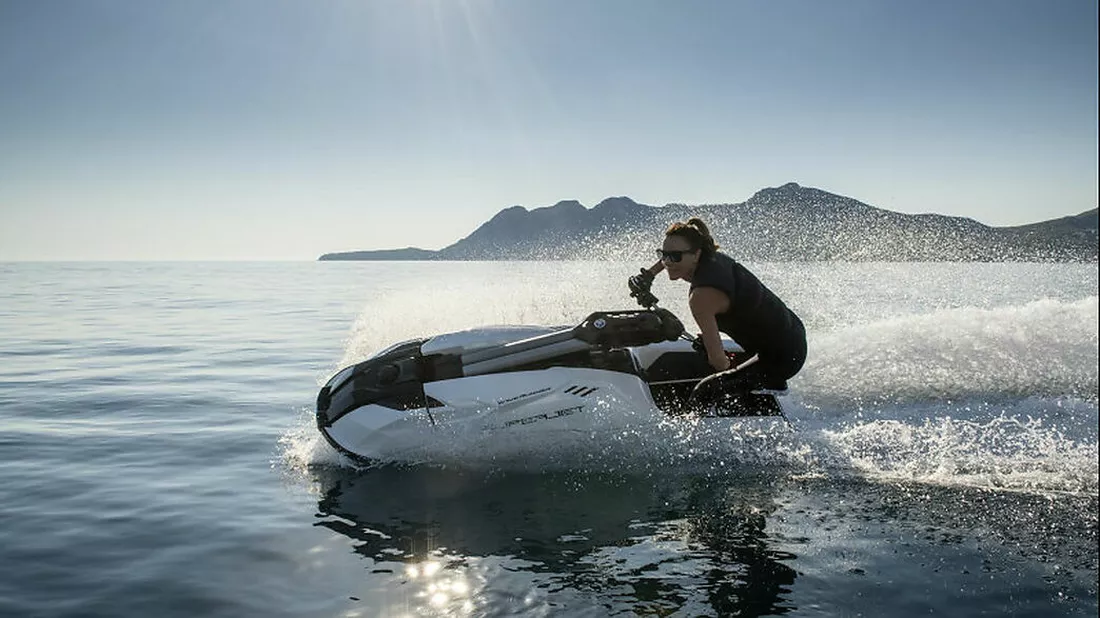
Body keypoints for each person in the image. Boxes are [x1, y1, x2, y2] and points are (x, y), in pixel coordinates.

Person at [628, 217, 807, 395]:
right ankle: (761, 380)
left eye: (675, 257)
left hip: (781, 358)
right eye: (662, 254)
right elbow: (671, 257)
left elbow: (720, 364)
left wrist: (718, 361)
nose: (667, 262)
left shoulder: (701, 297)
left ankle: (767, 385)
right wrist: (648, 275)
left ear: (696, 254)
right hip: (793, 332)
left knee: (705, 390)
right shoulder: (709, 255)